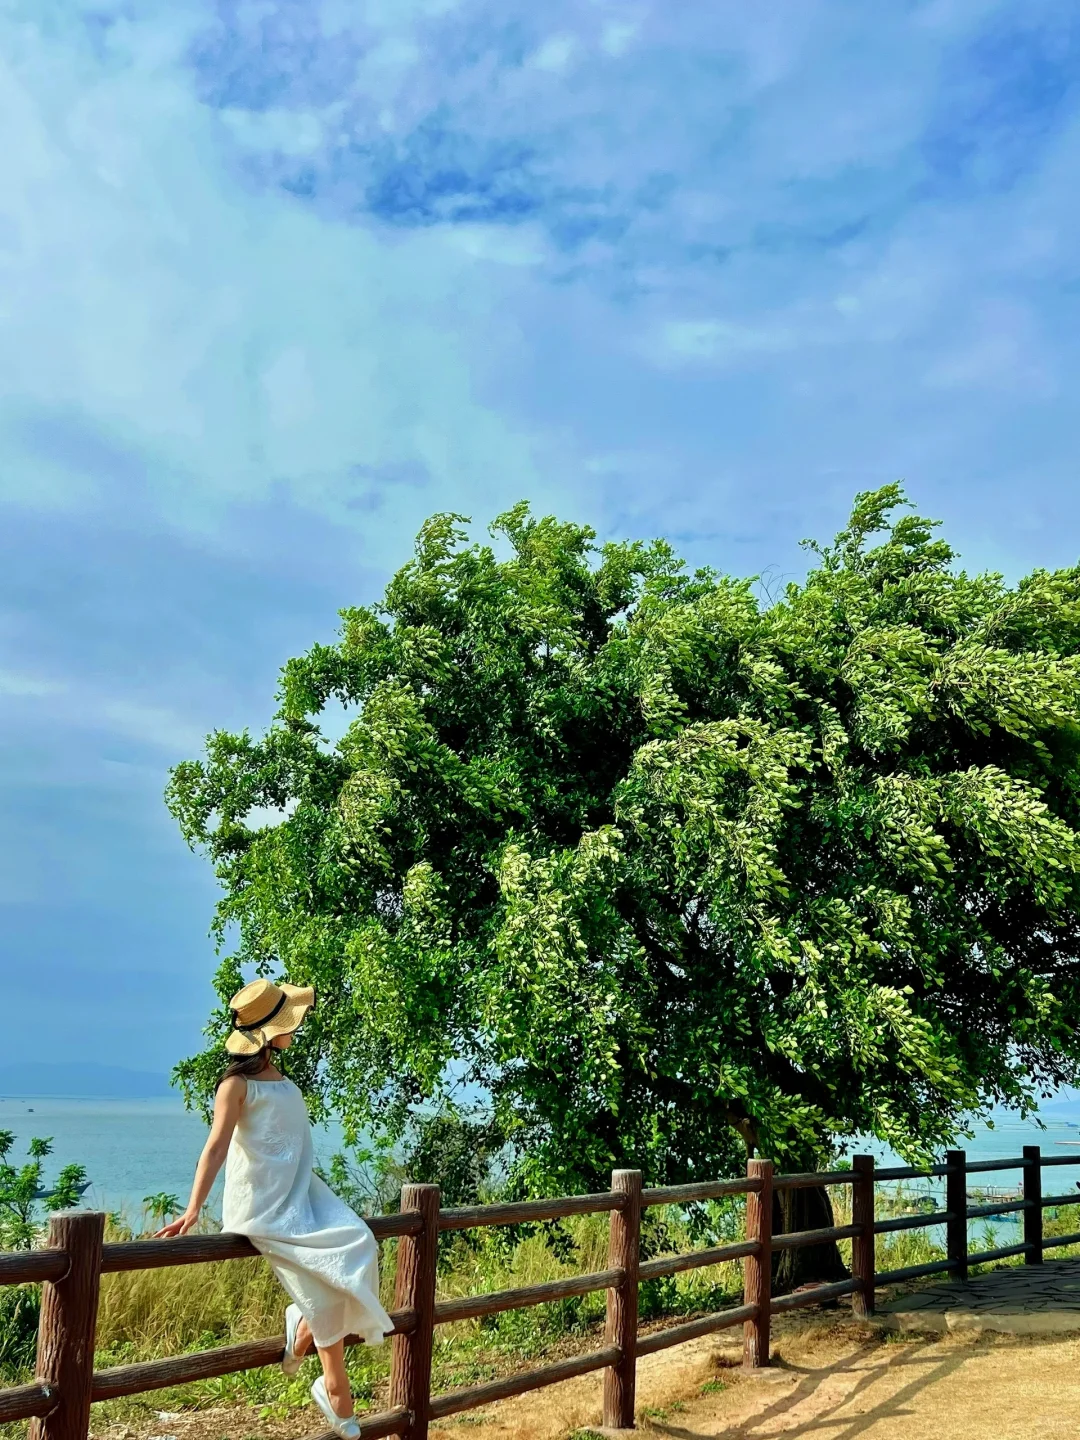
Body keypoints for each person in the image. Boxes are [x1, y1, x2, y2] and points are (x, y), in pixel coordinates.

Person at [156, 979, 392, 1439]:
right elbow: (215, 1148)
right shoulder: (235, 1085)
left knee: (360, 1244)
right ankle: (335, 1390)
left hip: (300, 1193)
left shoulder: (283, 1082)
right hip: (261, 1204)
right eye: (286, 1022)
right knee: (321, 1288)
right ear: (265, 1032)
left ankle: (301, 1326)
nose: (294, 1028)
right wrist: (193, 1209)